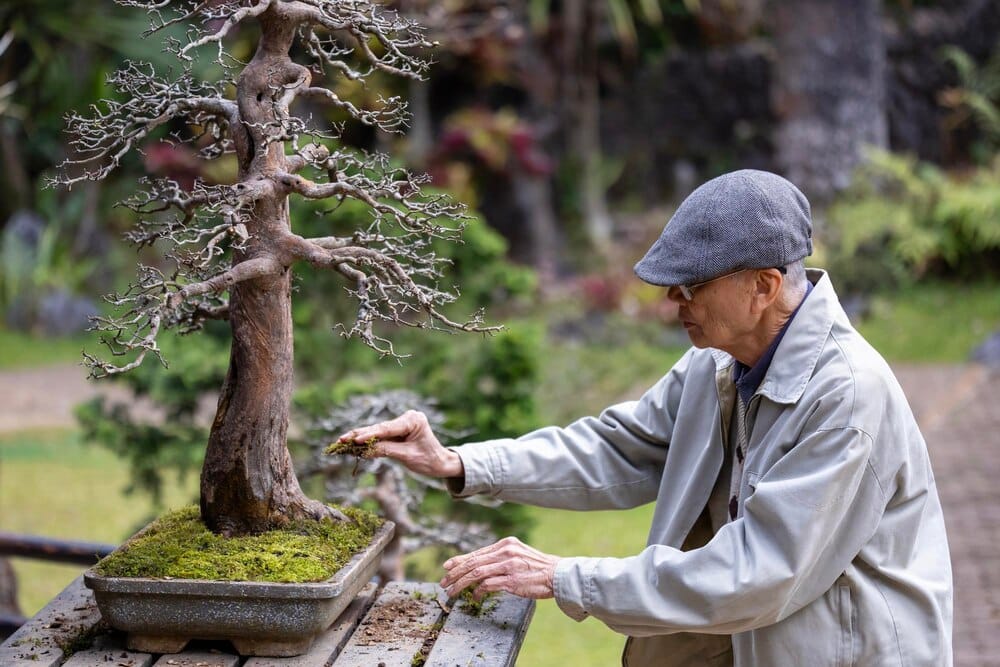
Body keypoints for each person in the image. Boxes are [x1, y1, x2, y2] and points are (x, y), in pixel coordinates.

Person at [340, 170, 953, 666]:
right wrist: (458, 462)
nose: (672, 302)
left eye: (690, 286)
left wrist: (565, 576)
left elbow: (760, 572)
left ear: (764, 286)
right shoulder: (716, 365)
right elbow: (616, 448)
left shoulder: (844, 397)